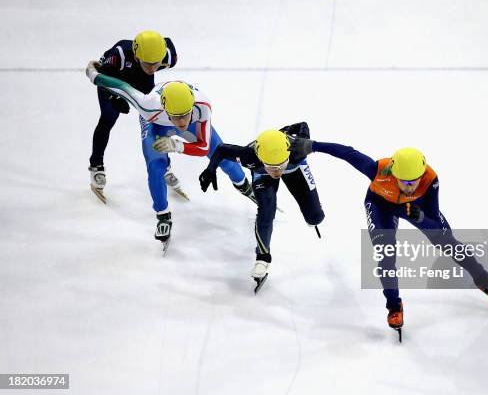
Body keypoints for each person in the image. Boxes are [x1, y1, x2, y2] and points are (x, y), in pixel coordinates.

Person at [288, 139, 488, 332]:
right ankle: (394, 306)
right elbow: (348, 153)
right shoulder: (379, 169)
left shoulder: (431, 180)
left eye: (412, 182)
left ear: (421, 175)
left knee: (449, 243)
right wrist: (312, 146)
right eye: (402, 181)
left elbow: (434, 222)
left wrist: (420, 218)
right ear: (393, 173)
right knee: (386, 255)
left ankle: (484, 281)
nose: (407, 186)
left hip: (419, 210)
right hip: (380, 206)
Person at [85, 62, 254, 246]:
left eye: (185, 115)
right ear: (166, 109)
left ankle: (244, 185)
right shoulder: (148, 105)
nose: (181, 122)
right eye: (176, 116)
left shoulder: (202, 106)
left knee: (223, 156)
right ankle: (162, 215)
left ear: (192, 108)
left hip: (185, 119)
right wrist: (93, 74)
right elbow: (122, 88)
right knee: (155, 167)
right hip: (156, 123)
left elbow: (204, 147)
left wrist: (176, 145)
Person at [198, 123, 324, 290]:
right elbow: (221, 150)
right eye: (273, 168)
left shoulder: (298, 149)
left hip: (294, 166)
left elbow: (303, 125)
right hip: (261, 172)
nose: (277, 172)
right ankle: (262, 258)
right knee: (266, 209)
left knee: (315, 217)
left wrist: (290, 133)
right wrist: (210, 169)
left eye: (280, 166)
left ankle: (311, 212)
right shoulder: (249, 155)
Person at [88, 30, 179, 201]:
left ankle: (164, 165)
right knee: (108, 118)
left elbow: (165, 46)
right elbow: (100, 78)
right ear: (137, 56)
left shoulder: (168, 56)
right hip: (112, 79)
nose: (152, 69)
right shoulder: (119, 55)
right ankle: (96, 165)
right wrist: (114, 97)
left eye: (156, 64)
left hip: (141, 81)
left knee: (155, 120)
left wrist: (148, 68)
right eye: (148, 63)